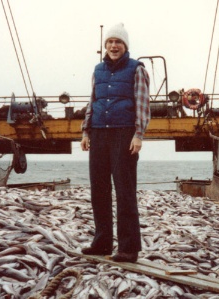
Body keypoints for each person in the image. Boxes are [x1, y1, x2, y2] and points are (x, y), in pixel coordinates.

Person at [80, 23, 150, 263]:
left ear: (125, 45)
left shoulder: (136, 69)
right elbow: (93, 101)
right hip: (98, 133)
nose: (113, 46)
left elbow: (142, 104)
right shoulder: (97, 70)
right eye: (110, 42)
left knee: (124, 190)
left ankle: (129, 248)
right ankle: (102, 243)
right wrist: (85, 131)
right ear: (105, 46)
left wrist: (139, 134)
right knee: (99, 190)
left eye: (118, 42)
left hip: (124, 134)